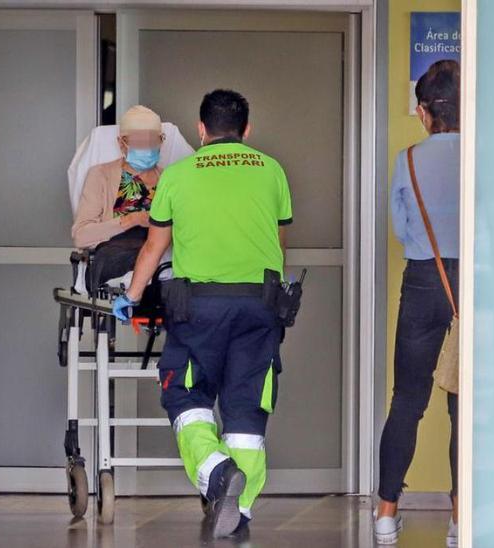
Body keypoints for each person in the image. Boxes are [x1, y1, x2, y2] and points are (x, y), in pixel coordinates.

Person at [112, 89, 292, 541]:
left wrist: (131, 295)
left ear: (200, 129)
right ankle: (240, 514)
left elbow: (155, 245)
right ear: (246, 130)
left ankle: (216, 474)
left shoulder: (178, 174)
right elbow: (278, 241)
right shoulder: (272, 170)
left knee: (185, 397)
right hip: (259, 306)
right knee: (248, 409)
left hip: (199, 309)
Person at [374, 60, 461, 547]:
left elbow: (402, 229)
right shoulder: (482, 158)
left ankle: (386, 515)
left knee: (406, 402)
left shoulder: (407, 160)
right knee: (462, 407)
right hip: (472, 285)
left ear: (425, 112)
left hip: (424, 282)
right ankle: (457, 519)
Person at [71, 105, 166, 287]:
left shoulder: (170, 179)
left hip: (160, 261)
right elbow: (81, 236)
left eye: (153, 140)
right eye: (139, 141)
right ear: (121, 143)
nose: (147, 147)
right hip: (117, 260)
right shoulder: (101, 175)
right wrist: (132, 220)